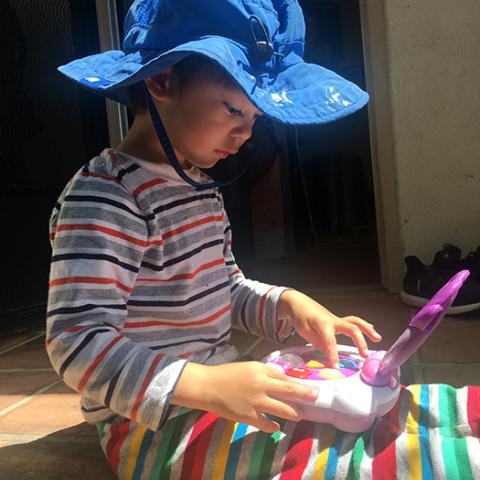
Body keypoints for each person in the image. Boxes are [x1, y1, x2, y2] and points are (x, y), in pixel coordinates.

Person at [47, 1, 480, 479]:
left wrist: (287, 304)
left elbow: (225, 289)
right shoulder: (106, 198)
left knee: (408, 408)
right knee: (351, 460)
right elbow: (77, 342)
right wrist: (206, 385)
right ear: (162, 81)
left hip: (218, 393)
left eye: (256, 116)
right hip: (156, 424)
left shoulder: (197, 187)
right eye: (235, 109)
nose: (246, 133)